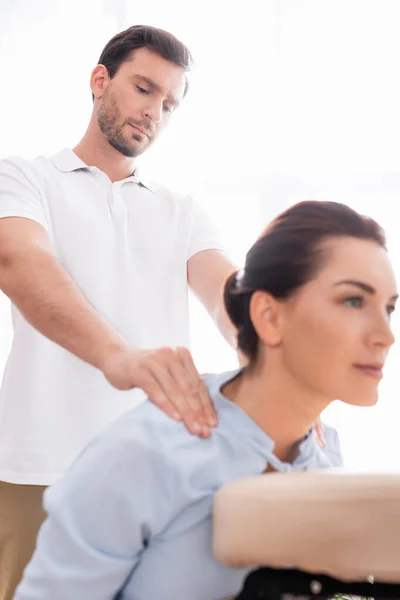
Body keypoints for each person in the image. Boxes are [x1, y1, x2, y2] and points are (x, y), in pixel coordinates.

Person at [13, 200, 397, 600]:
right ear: (269, 316)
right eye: (354, 301)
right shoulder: (143, 455)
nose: (385, 335)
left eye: (389, 308)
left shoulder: (322, 455)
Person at [0, 25, 239, 600]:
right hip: (38, 468)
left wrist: (279, 363)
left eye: (168, 103)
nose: (154, 112)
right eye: (143, 88)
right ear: (99, 80)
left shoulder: (182, 211)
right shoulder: (24, 179)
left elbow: (234, 297)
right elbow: (17, 261)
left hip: (154, 477)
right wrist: (117, 355)